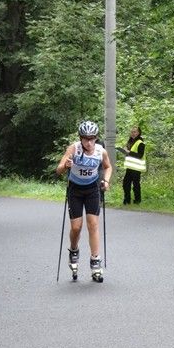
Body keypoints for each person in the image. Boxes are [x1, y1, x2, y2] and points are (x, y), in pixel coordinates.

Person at [56, 120, 112, 282]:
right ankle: (74, 250)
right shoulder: (73, 149)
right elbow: (58, 170)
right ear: (80, 138)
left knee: (93, 224)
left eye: (92, 138)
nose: (89, 142)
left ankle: (95, 261)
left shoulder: (100, 151)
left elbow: (108, 167)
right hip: (75, 190)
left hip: (92, 189)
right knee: (76, 227)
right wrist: (65, 166)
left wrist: (106, 181)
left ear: (96, 138)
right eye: (86, 138)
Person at [122, 126, 146, 205]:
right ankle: (127, 200)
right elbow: (130, 153)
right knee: (126, 184)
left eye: (135, 132)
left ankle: (137, 200)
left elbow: (140, 155)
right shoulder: (130, 142)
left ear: (139, 133)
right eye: (132, 132)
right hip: (130, 167)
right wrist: (125, 151)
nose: (133, 133)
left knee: (136, 185)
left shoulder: (140, 143)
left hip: (136, 167)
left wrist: (129, 152)